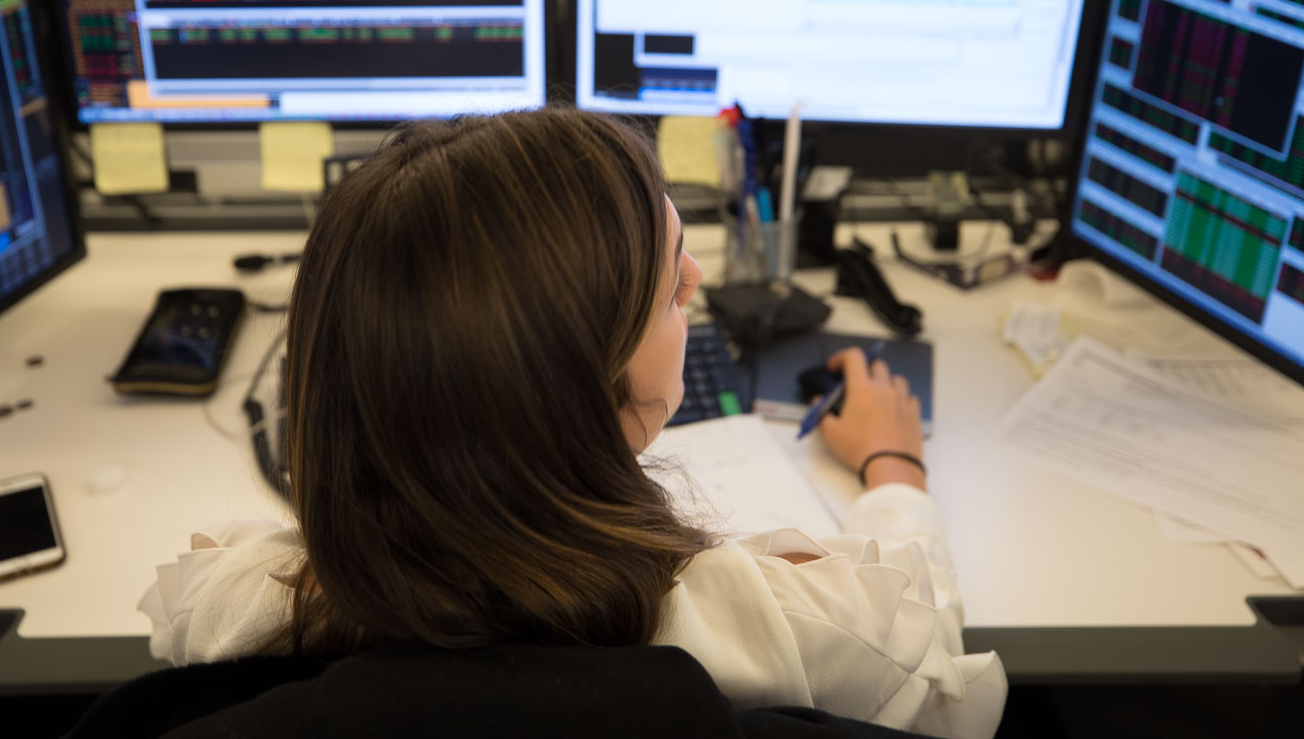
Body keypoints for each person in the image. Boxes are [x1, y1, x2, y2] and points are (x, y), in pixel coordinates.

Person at [139, 108, 1007, 738]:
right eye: (670, 287)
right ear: (583, 387)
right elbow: (939, 676)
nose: (698, 279)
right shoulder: (790, 623)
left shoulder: (233, 605)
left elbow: (215, 600)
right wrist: (894, 466)